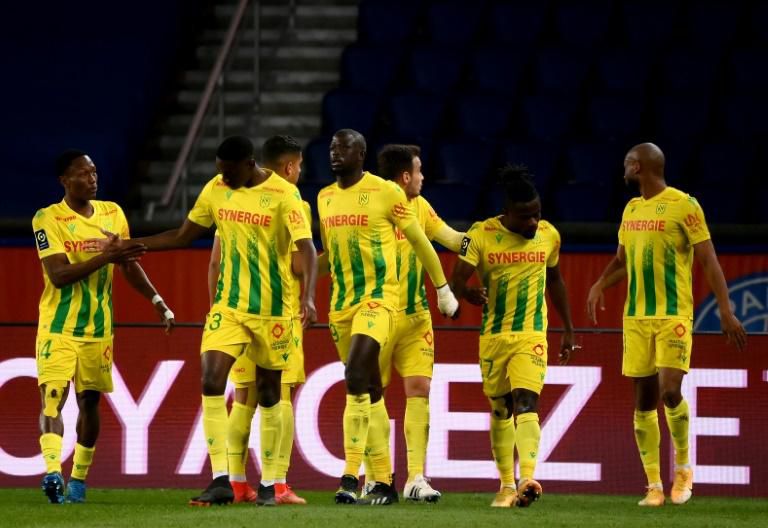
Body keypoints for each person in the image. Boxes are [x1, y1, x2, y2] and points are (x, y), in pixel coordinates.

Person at [95, 136, 318, 506]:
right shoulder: (216, 189)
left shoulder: (285, 195)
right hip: (228, 308)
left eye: (229, 172)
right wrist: (131, 246)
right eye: (220, 171)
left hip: (273, 312)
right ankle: (220, 481)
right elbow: (183, 235)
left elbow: (307, 248)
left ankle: (270, 483)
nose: (223, 178)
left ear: (249, 164)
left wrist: (308, 297)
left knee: (269, 393)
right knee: (212, 380)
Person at [586, 142, 747, 507]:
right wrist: (599, 283)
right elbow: (622, 260)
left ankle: (684, 467)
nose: (624, 167)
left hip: (673, 315)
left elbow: (708, 259)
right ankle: (654, 485)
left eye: (628, 162)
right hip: (636, 317)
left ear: (640, 166)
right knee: (643, 402)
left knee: (669, 390)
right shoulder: (630, 209)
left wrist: (725, 309)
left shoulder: (684, 205)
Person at [317, 129, 458, 506]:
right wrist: (297, 284)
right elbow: (329, 254)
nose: (335, 152)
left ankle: (387, 476)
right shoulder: (324, 198)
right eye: (332, 147)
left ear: (360, 154)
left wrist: (445, 287)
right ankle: (381, 479)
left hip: (388, 306)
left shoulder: (402, 200)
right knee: (369, 389)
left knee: (393, 384)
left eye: (343, 147)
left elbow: (433, 240)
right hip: (342, 307)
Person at [34, 150, 174, 504]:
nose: (92, 179)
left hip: (98, 330)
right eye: (83, 174)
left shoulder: (113, 214)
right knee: (53, 396)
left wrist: (158, 301)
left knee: (90, 403)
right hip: (58, 327)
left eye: (94, 172)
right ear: (65, 180)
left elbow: (128, 266)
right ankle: (53, 472)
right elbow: (59, 275)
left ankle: (78, 481)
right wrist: (105, 257)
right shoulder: (48, 218)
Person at [451, 165, 576, 508]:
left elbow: (555, 281)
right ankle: (505, 485)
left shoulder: (549, 235)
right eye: (525, 217)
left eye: (537, 214)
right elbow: (456, 280)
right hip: (494, 336)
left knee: (526, 401)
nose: (533, 222)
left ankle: (527, 478)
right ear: (507, 212)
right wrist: (468, 293)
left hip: (532, 334)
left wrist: (567, 328)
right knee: (500, 409)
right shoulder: (481, 235)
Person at [361, 144, 468, 502]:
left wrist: (484, 237)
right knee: (370, 394)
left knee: (419, 388)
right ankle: (376, 477)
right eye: (419, 171)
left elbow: (451, 239)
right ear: (405, 176)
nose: (423, 177)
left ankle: (416, 478)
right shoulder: (373, 205)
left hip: (416, 317)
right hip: (379, 314)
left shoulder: (420, 208)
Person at [207, 135, 309, 505]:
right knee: (278, 395)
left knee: (243, 397)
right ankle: (277, 483)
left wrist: (218, 306)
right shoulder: (291, 202)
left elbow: (215, 262)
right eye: (299, 166)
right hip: (276, 313)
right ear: (288, 167)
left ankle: (235, 483)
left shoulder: (230, 201)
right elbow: (300, 264)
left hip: (232, 310)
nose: (300, 172)